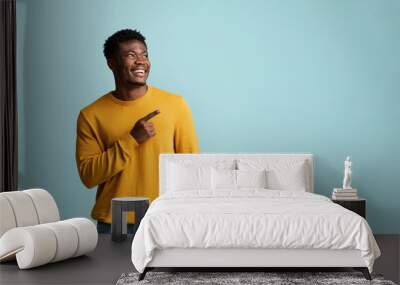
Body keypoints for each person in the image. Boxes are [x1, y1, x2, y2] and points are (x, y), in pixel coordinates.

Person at [75, 29, 199, 233]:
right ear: (111, 63)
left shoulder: (175, 105)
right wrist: (131, 139)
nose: (141, 61)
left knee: (166, 268)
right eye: (131, 55)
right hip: (115, 221)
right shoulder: (91, 115)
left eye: (145, 55)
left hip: (165, 219)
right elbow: (89, 176)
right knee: (113, 267)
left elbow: (191, 168)